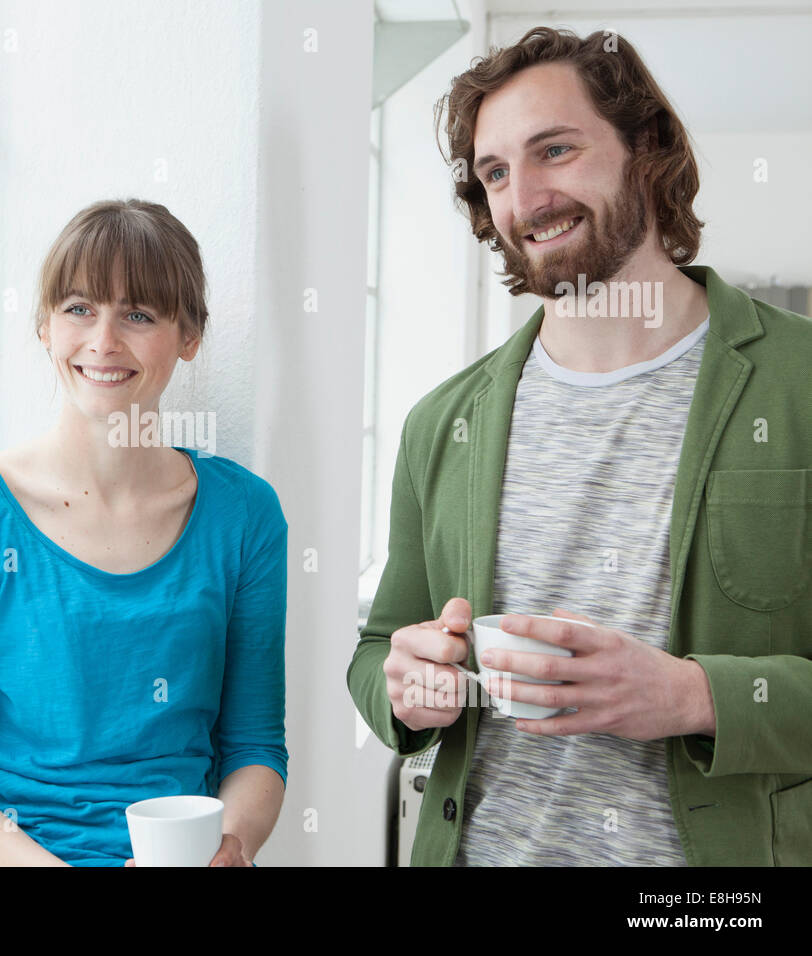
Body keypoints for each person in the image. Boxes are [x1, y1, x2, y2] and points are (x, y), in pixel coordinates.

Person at [348, 27, 812, 865]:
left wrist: (695, 696)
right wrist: (406, 688)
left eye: (554, 150)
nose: (525, 198)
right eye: (494, 173)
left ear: (648, 151)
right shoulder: (440, 423)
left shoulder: (799, 383)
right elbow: (379, 648)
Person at [0, 199, 288, 866]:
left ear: (189, 337)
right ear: (45, 327)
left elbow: (254, 748)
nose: (104, 342)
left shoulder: (244, 515)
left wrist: (231, 848)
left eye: (138, 315)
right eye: (79, 308)